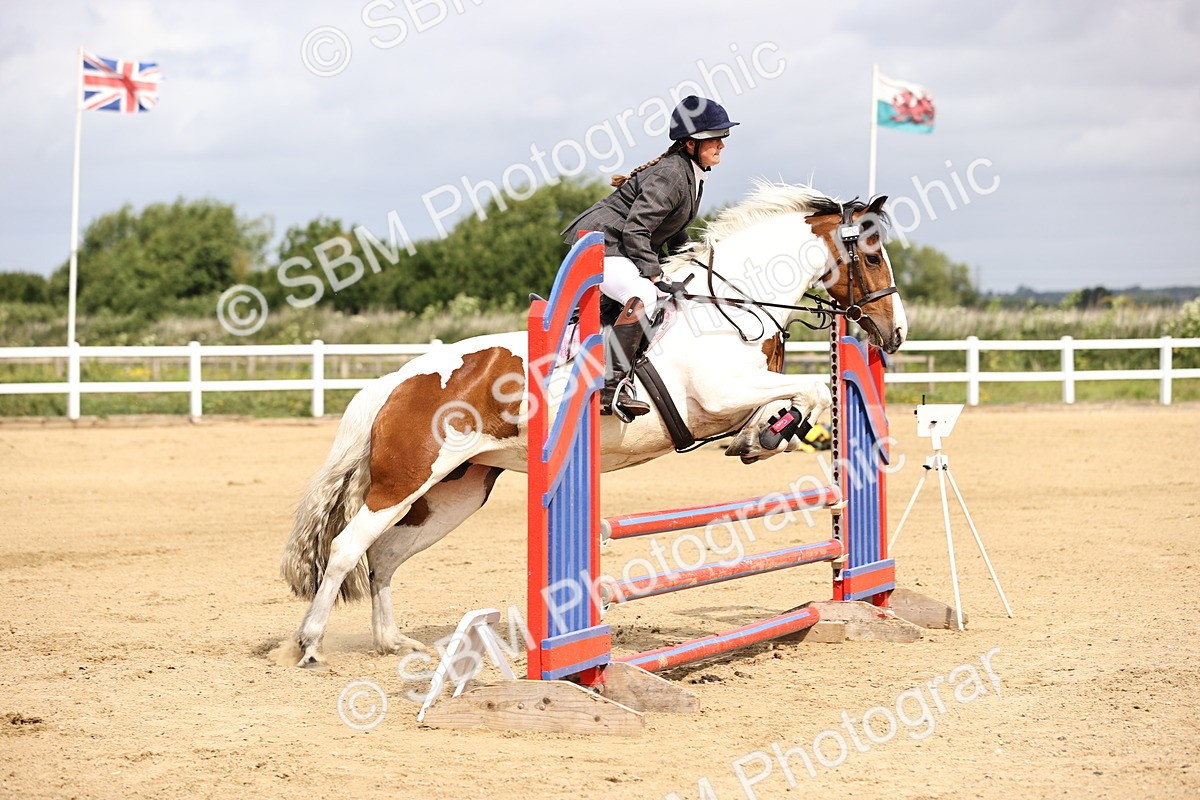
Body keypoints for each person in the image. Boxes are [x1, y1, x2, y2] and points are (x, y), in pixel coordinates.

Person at [562, 95, 738, 419]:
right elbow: (636, 230)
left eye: (722, 137)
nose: (721, 144)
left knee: (672, 293)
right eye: (713, 138)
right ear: (690, 144)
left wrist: (692, 260)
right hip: (601, 245)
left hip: (620, 246)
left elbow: (671, 229)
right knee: (643, 293)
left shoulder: (692, 173)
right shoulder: (672, 174)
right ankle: (609, 387)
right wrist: (655, 275)